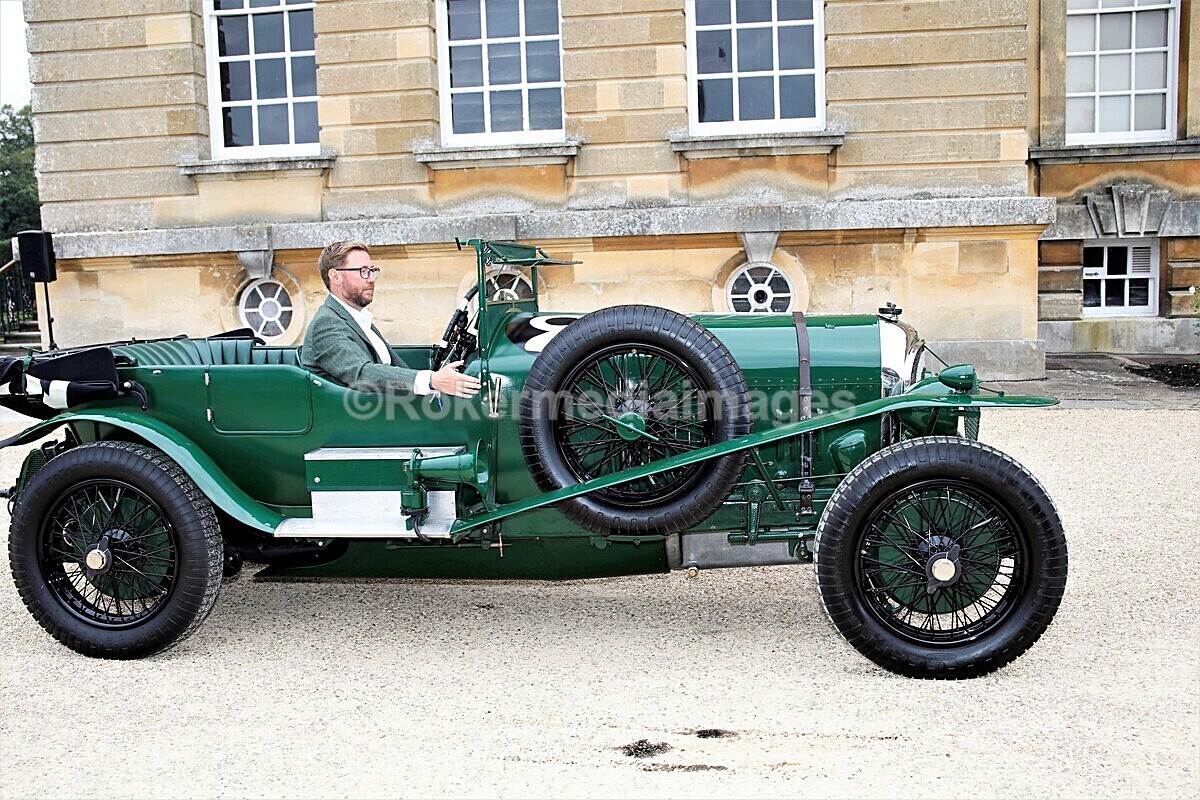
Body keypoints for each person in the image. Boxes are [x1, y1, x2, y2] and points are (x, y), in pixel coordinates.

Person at [301, 241, 481, 398]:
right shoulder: (327, 324)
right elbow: (362, 374)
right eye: (363, 271)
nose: (371, 279)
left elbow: (393, 369)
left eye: (372, 271)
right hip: (355, 425)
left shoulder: (358, 319)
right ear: (335, 276)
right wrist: (433, 381)